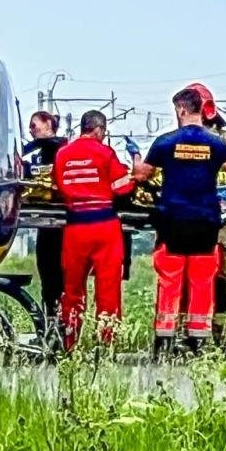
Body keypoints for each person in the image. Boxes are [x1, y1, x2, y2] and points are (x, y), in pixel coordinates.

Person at [134, 87, 226, 359]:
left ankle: (164, 345)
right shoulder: (219, 143)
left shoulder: (165, 142)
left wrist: (136, 157)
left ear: (181, 109)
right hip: (206, 223)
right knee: (201, 283)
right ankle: (198, 344)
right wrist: (223, 196)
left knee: (170, 282)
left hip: (172, 222)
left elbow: (142, 175)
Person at [52, 110, 136, 351]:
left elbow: (57, 186)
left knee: (73, 288)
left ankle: (69, 342)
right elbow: (123, 187)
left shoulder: (62, 154)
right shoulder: (104, 152)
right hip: (104, 226)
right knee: (108, 288)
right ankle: (105, 343)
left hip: (75, 227)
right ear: (99, 130)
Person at [183, 82, 226, 348]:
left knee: (220, 283)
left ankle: (224, 342)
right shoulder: (180, 139)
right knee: (185, 283)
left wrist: (223, 196)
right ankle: (188, 339)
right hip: (187, 220)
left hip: (218, 224)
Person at [20, 110, 66, 334]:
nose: (31, 130)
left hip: (60, 221)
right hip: (47, 222)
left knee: (55, 277)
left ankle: (58, 324)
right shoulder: (29, 150)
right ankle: (52, 323)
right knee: (49, 277)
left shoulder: (60, 148)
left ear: (48, 123)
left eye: (34, 125)